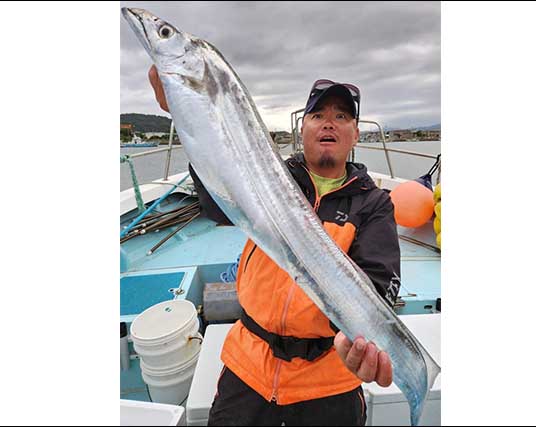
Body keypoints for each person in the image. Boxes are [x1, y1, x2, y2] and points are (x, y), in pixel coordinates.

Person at [148, 66, 401, 426]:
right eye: (318, 115)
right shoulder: (270, 179)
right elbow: (217, 202)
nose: (329, 123)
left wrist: (357, 337)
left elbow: (379, 286)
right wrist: (188, 117)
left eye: (341, 116)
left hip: (329, 379)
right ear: (303, 129)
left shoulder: (373, 204)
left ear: (355, 134)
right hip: (248, 364)